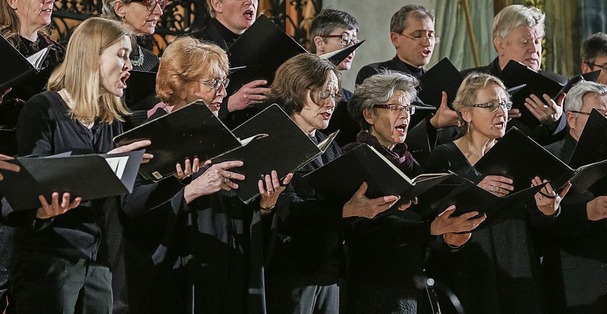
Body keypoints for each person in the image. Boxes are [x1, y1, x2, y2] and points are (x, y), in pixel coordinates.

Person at [121, 36, 290, 314]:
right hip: (178, 278)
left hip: (227, 272)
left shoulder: (224, 138)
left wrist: (266, 205)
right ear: (181, 84)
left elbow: (242, 217)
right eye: (212, 83)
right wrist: (192, 189)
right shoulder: (148, 139)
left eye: (224, 82)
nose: (223, 92)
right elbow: (131, 212)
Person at [3, 17, 151, 313]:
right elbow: (30, 184)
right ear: (91, 57)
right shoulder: (44, 108)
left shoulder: (109, 120)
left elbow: (123, 201)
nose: (129, 66)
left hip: (97, 262)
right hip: (48, 260)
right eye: (120, 55)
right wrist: (44, 210)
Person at [265, 53, 403, 313]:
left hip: (331, 268)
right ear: (296, 90)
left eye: (334, 94)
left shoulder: (328, 145)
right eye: (322, 94)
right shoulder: (275, 143)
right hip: (292, 270)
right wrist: (345, 210)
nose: (331, 103)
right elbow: (287, 210)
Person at [342, 71, 485, 313]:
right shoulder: (353, 158)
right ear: (369, 114)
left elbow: (428, 222)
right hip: (372, 285)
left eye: (408, 109)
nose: (404, 115)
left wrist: (449, 237)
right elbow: (363, 231)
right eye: (394, 107)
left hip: (414, 281)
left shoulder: (412, 163)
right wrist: (428, 229)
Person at [425, 72, 568, 314]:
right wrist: (475, 189)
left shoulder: (518, 150)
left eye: (504, 104)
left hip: (517, 264)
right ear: (467, 113)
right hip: (468, 271)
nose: (501, 112)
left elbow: (537, 225)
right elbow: (432, 224)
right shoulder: (444, 156)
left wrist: (548, 211)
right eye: (490, 105)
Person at [0, 0, 66, 312]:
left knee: (33, 280)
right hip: (5, 167)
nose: (49, 0)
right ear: (13, 0)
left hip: (43, 169)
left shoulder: (57, 54)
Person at [542, 81, 607, 313]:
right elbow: (537, 223)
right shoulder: (549, 157)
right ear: (572, 119)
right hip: (577, 291)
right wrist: (585, 212)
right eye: (600, 115)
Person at [355, 5, 460, 159]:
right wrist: (433, 124)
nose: (427, 42)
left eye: (431, 35)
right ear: (395, 38)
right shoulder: (376, 74)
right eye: (418, 35)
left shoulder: (442, 80)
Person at [461, 4, 568, 144]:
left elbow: (570, 143)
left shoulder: (559, 85)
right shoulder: (469, 83)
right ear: (500, 45)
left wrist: (556, 121)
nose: (534, 49)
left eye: (537, 41)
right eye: (524, 42)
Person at [191, 0, 270, 124]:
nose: (250, 1)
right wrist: (230, 104)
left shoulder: (265, 43)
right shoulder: (194, 47)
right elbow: (181, 112)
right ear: (217, 4)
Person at [0, 0, 66, 154]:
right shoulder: (2, 48)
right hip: (10, 148)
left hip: (51, 144)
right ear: (13, 1)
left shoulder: (57, 52)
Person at [101, 0, 164, 72]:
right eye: (150, 2)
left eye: (159, 3)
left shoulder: (153, 62)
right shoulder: (96, 54)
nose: (159, 11)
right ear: (120, 8)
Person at [310, 8, 360, 100]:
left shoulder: (349, 99)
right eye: (345, 39)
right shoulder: (301, 89)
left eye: (354, 41)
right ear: (320, 43)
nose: (352, 48)